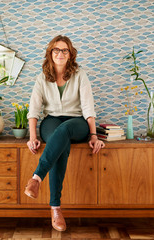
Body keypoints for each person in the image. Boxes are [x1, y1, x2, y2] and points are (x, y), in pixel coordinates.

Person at [24, 35, 105, 232]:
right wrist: (33, 137)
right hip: (51, 120)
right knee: (60, 142)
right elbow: (34, 110)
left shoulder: (80, 75)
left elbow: (88, 107)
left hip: (76, 122)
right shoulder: (42, 77)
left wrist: (94, 136)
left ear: (70, 54)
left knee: (64, 130)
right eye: (56, 50)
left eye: (64, 50)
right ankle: (56, 209)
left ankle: (36, 178)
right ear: (50, 54)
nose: (60, 54)